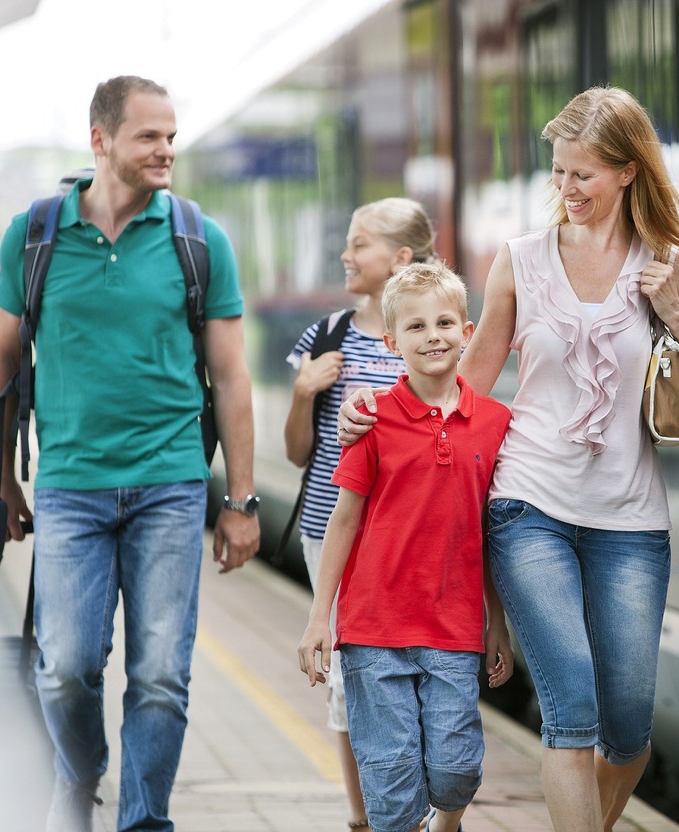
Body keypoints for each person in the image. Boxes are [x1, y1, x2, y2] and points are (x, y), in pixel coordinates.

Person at [338, 86, 679, 832]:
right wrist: (380, 416)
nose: (566, 189)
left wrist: (677, 317)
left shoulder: (669, 264)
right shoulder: (521, 260)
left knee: (630, 729)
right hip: (529, 505)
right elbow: (470, 377)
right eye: (558, 172)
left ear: (626, 172)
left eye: (582, 174)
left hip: (631, 518)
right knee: (572, 709)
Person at [0, 75, 260, 832]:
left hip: (170, 484)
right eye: (150, 136)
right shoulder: (33, 235)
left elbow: (231, 378)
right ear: (100, 141)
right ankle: (80, 774)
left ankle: (142, 822)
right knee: (64, 669)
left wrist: (240, 501)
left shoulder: (196, 239)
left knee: (161, 675)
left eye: (171, 135)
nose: (168, 149)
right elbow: (0, 363)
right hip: (70, 486)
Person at [298, 262, 514, 832]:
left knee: (456, 770)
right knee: (391, 790)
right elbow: (342, 524)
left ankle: (446, 824)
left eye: (445, 322)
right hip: (374, 630)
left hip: (454, 628)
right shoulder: (372, 421)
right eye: (415, 328)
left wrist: (497, 620)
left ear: (468, 333)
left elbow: (489, 531)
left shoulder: (495, 423)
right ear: (392, 342)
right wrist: (321, 616)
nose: (433, 336)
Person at [283, 197, 438, 830]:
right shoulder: (326, 337)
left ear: (401, 258)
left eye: (360, 243)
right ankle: (364, 818)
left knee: (422, 673)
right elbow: (298, 454)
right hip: (332, 534)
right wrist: (302, 393)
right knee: (351, 681)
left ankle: (424, 807)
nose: (346, 255)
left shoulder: (432, 336)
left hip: (411, 538)